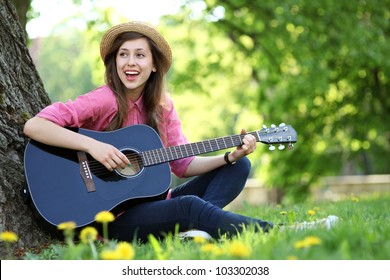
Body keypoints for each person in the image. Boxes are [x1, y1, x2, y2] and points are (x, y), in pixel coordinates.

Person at [23, 21, 334, 243]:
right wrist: (93, 146)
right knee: (190, 208)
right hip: (110, 218)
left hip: (156, 204)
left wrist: (229, 155)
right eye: (123, 54)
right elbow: (34, 126)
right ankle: (277, 232)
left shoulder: (162, 107)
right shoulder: (104, 99)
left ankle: (194, 231)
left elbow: (183, 165)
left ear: (155, 65)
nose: (131, 63)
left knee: (240, 166)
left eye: (140, 55)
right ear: (114, 62)